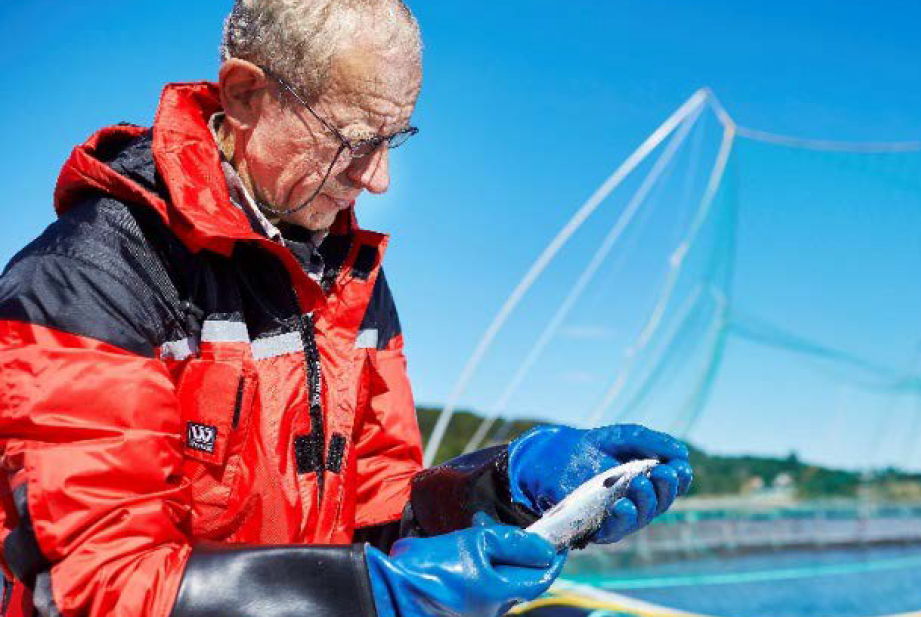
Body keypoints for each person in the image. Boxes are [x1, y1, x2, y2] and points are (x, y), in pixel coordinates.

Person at [0, 2, 693, 617]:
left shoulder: (348, 273)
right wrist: (373, 595)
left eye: (394, 139)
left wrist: (507, 486)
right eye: (354, 139)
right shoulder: (85, 281)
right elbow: (100, 586)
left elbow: (383, 511)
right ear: (246, 95)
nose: (380, 178)